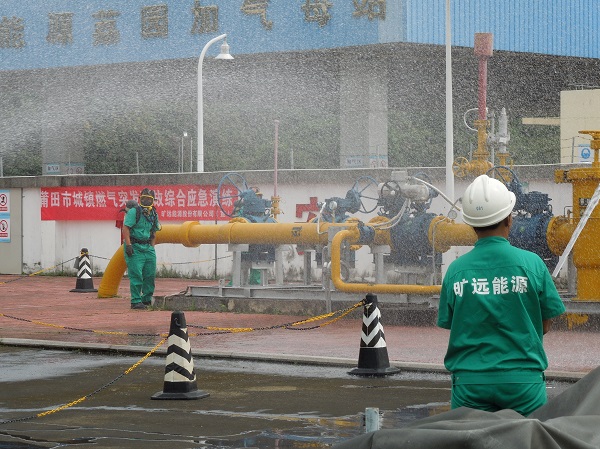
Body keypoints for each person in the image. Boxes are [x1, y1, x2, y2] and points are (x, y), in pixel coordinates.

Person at [437, 174, 565, 416]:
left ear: (471, 225)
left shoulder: (456, 271)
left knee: (469, 437)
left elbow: (454, 323)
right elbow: (545, 324)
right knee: (529, 436)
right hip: (523, 382)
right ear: (509, 218)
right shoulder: (532, 264)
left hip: (470, 383)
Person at [122, 188, 161, 310]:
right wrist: (129, 245)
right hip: (135, 247)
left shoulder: (154, 214)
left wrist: (152, 247)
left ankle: (146, 299)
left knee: (150, 274)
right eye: (144, 198)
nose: (146, 201)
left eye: (149, 199)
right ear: (139, 199)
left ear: (153, 200)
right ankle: (135, 301)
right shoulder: (134, 212)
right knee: (136, 275)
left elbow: (154, 231)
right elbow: (126, 228)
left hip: (148, 247)